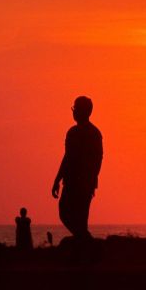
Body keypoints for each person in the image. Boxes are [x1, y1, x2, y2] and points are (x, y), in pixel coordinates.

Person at [52, 96, 103, 239]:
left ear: (83, 111)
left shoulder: (93, 134)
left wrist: (90, 180)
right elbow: (67, 157)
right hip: (72, 182)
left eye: (75, 109)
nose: (73, 112)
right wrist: (57, 179)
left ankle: (85, 243)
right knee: (66, 213)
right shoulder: (73, 133)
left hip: (82, 184)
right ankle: (85, 241)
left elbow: (97, 160)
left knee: (76, 217)